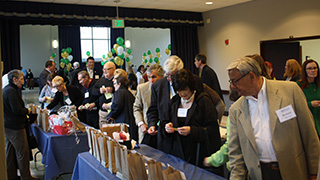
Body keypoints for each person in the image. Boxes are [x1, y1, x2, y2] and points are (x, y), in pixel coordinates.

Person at [227, 57, 320, 180]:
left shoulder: (290, 91)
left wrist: (314, 173)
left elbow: (309, 134)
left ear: (251, 76)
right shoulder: (236, 110)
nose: (232, 86)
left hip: (293, 171)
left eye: (235, 81)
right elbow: (236, 154)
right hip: (260, 174)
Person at [164, 69, 221, 172]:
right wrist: (167, 127)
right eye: (179, 90)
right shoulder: (174, 102)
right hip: (178, 154)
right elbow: (165, 121)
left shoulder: (204, 101)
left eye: (185, 89)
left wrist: (192, 130)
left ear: (191, 86)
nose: (182, 93)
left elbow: (213, 131)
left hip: (197, 155)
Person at [147, 55, 204, 153]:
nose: (169, 78)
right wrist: (152, 124)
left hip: (188, 139)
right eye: (166, 74)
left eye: (172, 75)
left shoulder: (194, 81)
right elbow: (153, 109)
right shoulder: (158, 86)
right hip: (166, 138)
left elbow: (201, 107)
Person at [3, 69, 38, 180]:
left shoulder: (6, 90)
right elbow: (17, 110)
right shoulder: (11, 92)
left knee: (10, 152)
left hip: (8, 126)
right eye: (21, 79)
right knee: (22, 152)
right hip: (16, 127)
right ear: (14, 79)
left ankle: (11, 176)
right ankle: (26, 177)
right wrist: (27, 111)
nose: (23, 81)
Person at [133, 64, 163, 145]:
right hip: (146, 129)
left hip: (163, 131)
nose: (151, 80)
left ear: (161, 76)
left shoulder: (167, 89)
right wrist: (141, 123)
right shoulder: (142, 88)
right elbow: (136, 108)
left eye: (154, 77)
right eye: (149, 77)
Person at [106, 69, 138, 141]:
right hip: (130, 123)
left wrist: (110, 116)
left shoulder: (119, 93)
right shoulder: (129, 93)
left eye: (114, 82)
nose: (113, 84)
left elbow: (117, 106)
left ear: (119, 83)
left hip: (122, 123)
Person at [297, 59, 320, 138]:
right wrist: (310, 104)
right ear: (305, 71)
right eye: (310, 68)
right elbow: (296, 105)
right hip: (308, 121)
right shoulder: (299, 85)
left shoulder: (318, 84)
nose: (313, 70)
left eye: (315, 68)